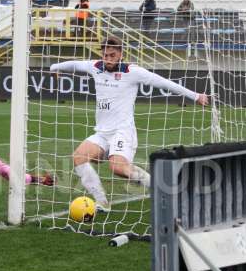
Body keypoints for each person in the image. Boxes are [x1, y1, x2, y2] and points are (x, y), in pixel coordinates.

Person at [49, 37, 208, 211]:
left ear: (120, 55)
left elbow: (163, 82)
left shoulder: (132, 72)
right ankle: (102, 202)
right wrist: (54, 67)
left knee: (118, 168)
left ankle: (162, 189)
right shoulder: (95, 67)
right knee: (79, 157)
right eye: (105, 55)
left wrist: (195, 96)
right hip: (102, 133)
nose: (108, 59)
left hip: (123, 131)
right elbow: (74, 64)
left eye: (112, 55)